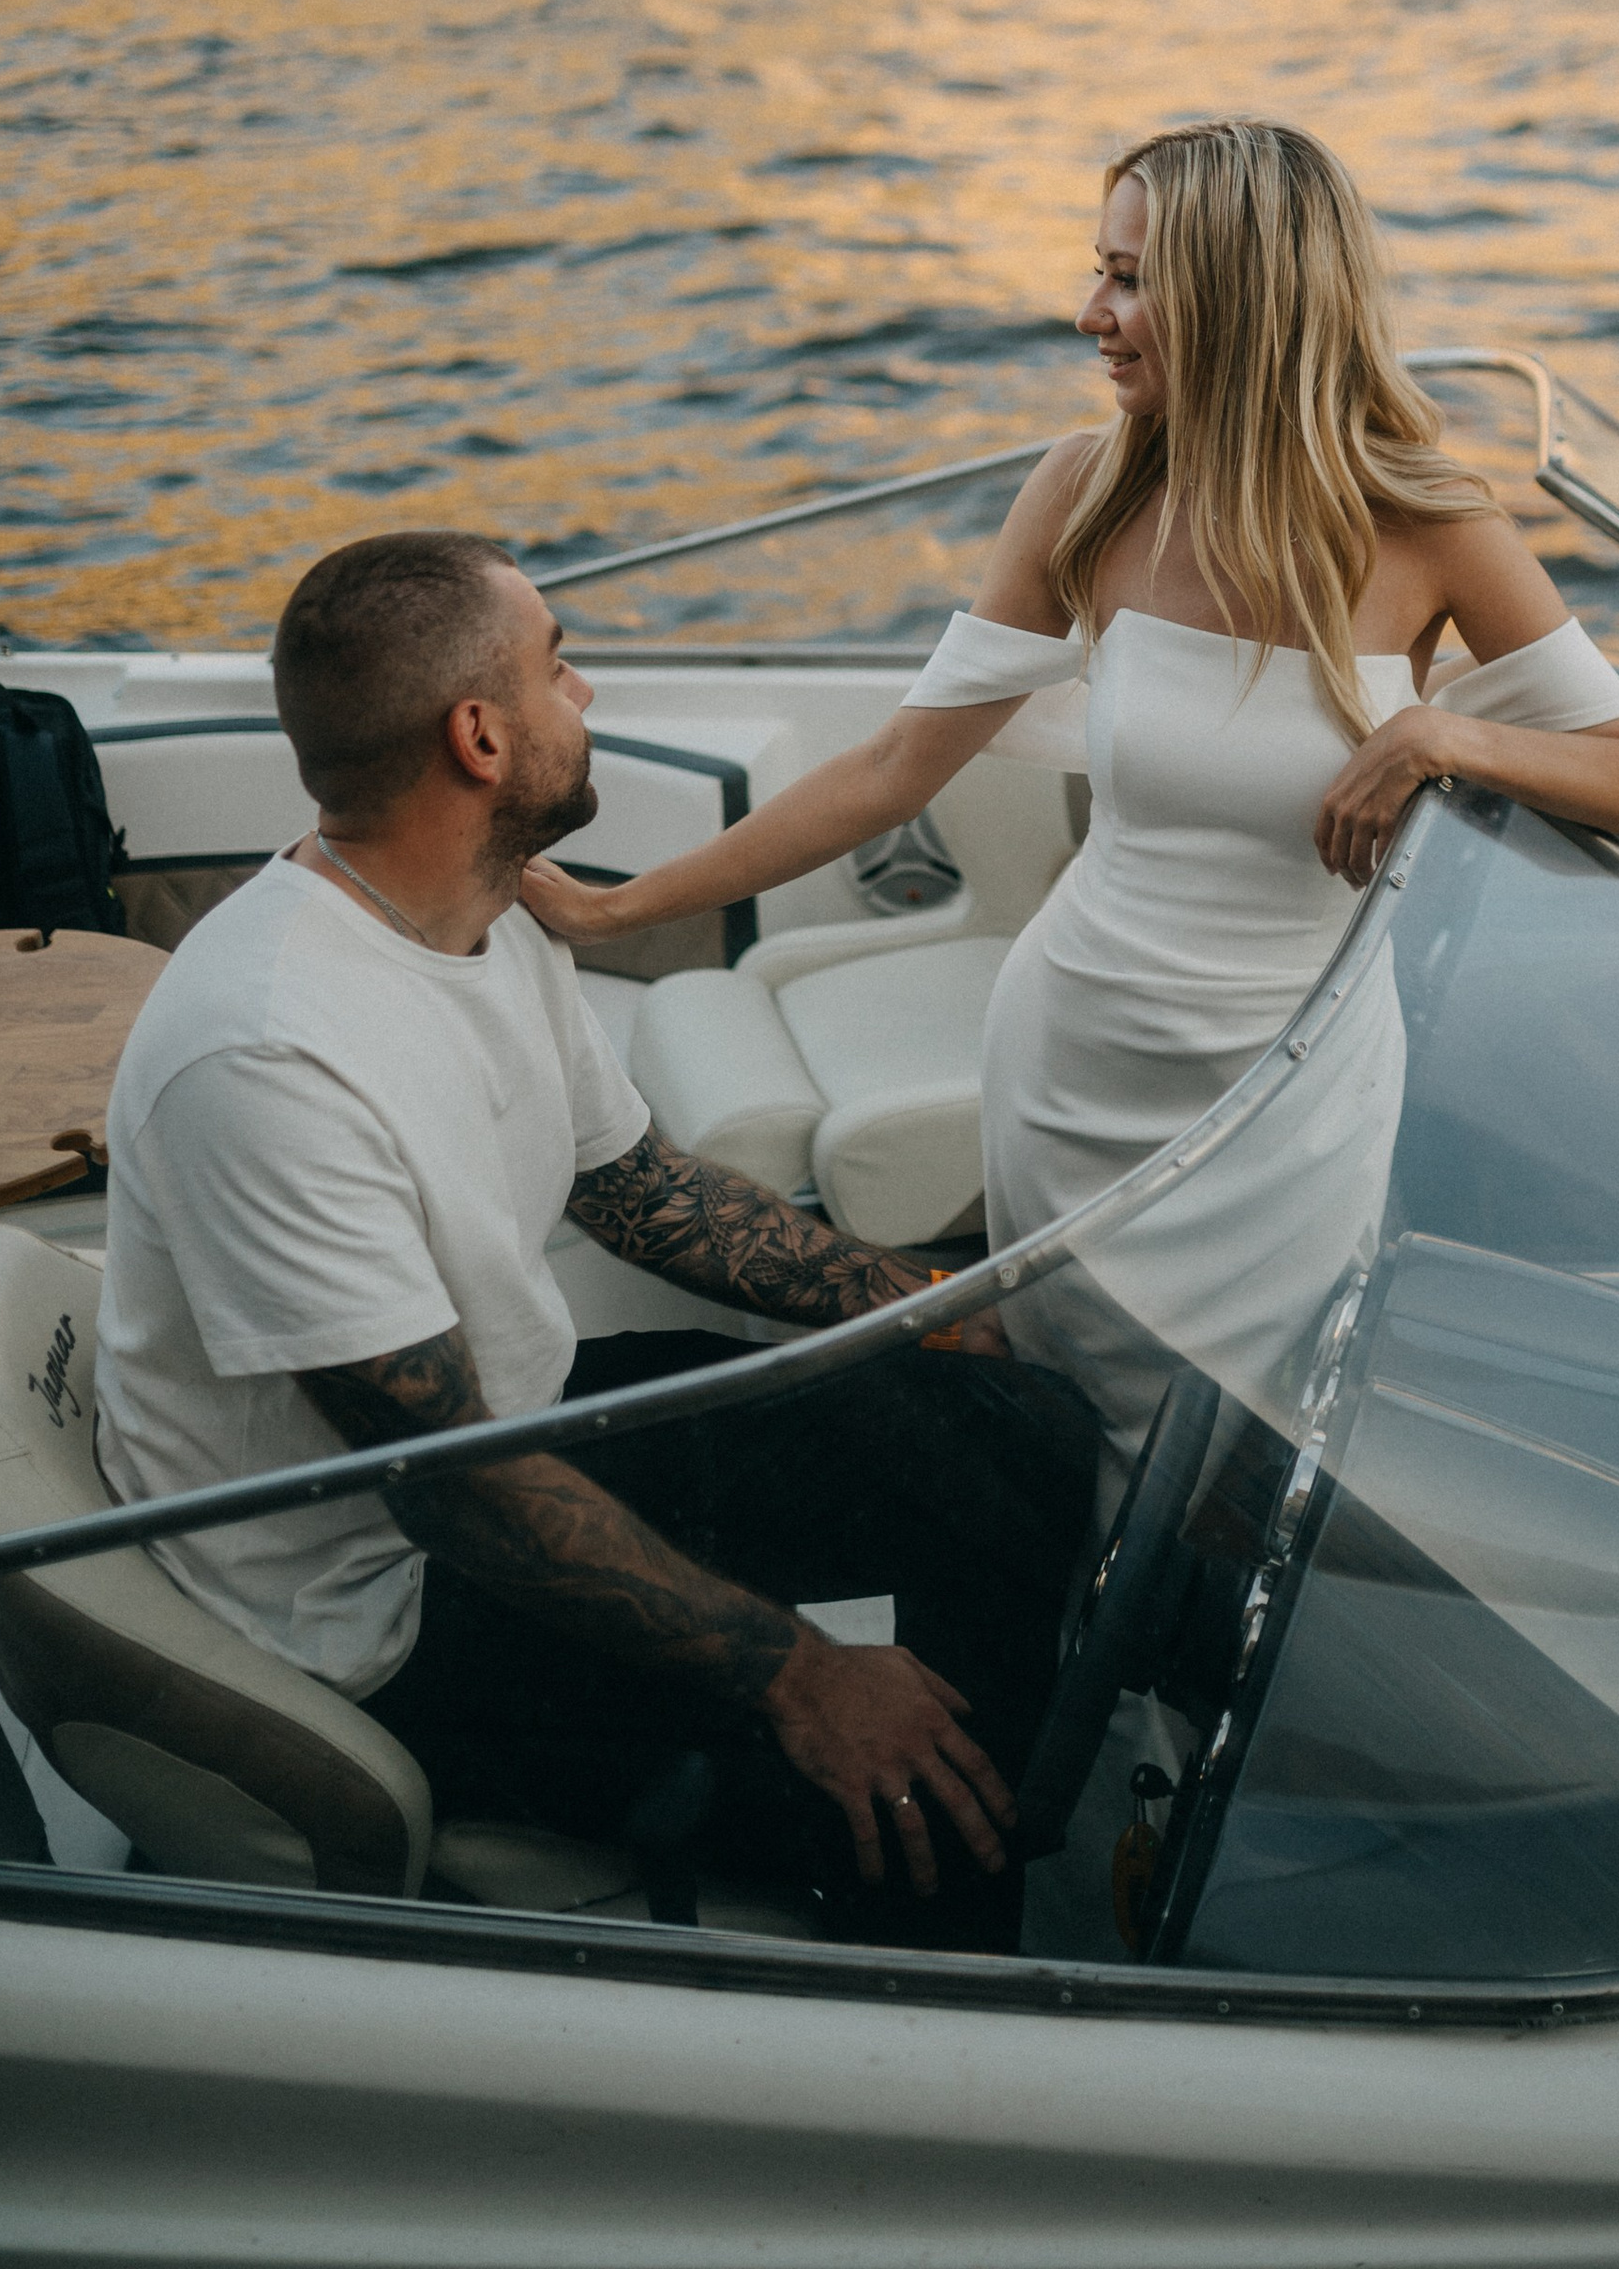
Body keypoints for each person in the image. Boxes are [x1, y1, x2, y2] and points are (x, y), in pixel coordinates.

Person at [94, 530, 1095, 1949]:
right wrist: (802, 1677)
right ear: (482, 736)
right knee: (910, 1806)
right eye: (562, 665)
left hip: (515, 1436)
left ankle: (1001, 1776)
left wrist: (917, 1305)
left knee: (1005, 1427)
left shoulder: (482, 920)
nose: (591, 692)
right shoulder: (265, 1056)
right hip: (375, 1602)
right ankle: (947, 1963)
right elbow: (448, 1489)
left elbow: (631, 1187)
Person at [525, 123, 1619, 1319]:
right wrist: (612, 907)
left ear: (1240, 297)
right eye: (1100, 269)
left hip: (1294, 1092)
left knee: (1248, 1430)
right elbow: (890, 769)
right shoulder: (1084, 491)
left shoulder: (1433, 525)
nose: (1091, 311)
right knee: (1069, 1383)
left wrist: (1445, 736)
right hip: (1071, 1058)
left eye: (1129, 278)